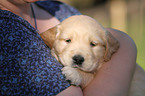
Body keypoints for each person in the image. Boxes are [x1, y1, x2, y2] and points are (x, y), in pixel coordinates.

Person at [0, 0, 137, 96]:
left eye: (92, 44)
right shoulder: (6, 29)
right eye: (68, 40)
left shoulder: (59, 9)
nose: (78, 55)